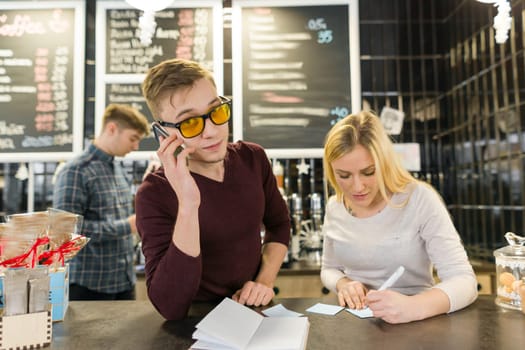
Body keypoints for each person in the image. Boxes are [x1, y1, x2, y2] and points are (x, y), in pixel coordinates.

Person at [135, 58, 290, 321]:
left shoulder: (253, 159)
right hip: (193, 323)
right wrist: (188, 204)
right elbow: (169, 306)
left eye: (216, 112)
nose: (212, 131)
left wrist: (263, 282)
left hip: (252, 312)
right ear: (163, 134)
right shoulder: (154, 194)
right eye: (191, 123)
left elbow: (280, 224)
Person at [320, 111, 478, 324]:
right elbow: (329, 269)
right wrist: (344, 283)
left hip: (418, 323)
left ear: (385, 163)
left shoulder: (419, 198)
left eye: (368, 172)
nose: (357, 187)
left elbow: (464, 281)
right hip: (356, 323)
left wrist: (414, 307)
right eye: (344, 176)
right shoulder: (334, 207)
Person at [52, 104, 150, 300]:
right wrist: (126, 226)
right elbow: (64, 233)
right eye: (133, 138)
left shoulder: (118, 168)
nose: (135, 147)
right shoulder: (76, 171)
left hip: (124, 281)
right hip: (88, 286)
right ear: (112, 129)